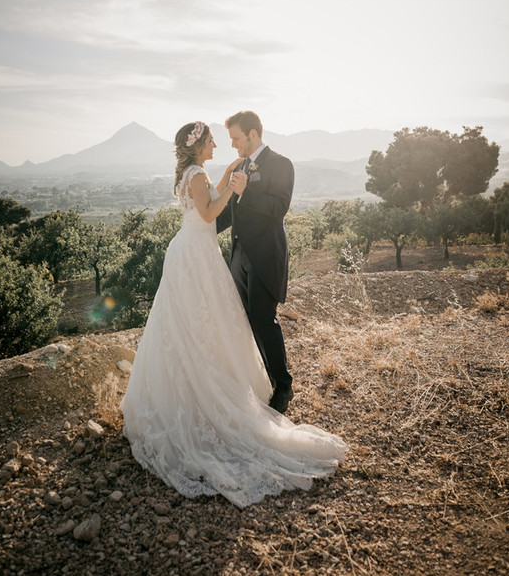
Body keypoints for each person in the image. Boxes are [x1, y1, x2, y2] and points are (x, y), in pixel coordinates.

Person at [121, 121, 346, 508]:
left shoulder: (263, 166)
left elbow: (267, 208)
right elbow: (211, 214)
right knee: (200, 324)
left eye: (233, 138)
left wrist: (227, 179)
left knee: (212, 323)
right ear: (197, 145)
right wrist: (230, 188)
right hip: (199, 254)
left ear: (252, 134)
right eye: (214, 140)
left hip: (214, 253)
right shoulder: (198, 174)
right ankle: (204, 394)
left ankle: (277, 384)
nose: (223, 144)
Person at [217, 111, 295, 414]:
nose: (233, 144)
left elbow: (279, 207)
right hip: (238, 255)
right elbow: (230, 212)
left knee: (264, 319)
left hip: (265, 254)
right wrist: (200, 229)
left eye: (236, 138)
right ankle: (259, 380)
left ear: (253, 134)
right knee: (245, 320)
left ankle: (283, 385)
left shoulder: (281, 164)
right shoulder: (240, 166)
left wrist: (246, 191)